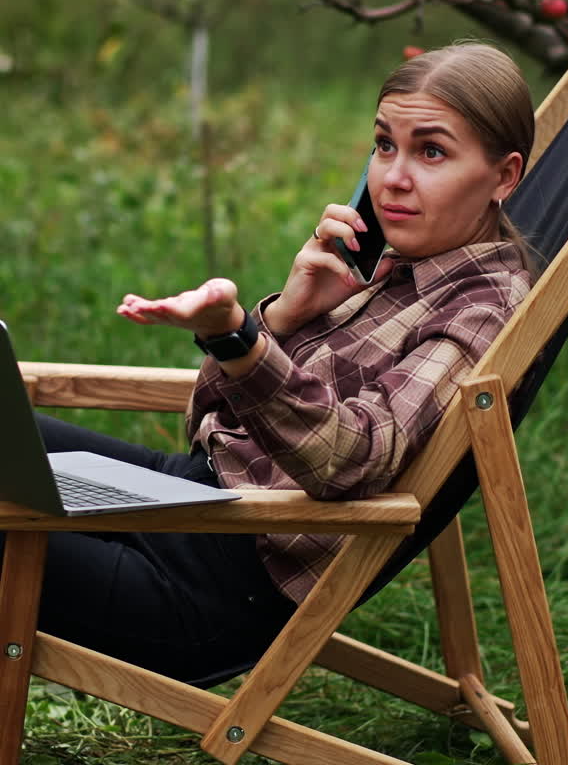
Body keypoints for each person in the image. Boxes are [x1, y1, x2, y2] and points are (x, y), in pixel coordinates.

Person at [19, 41, 536, 686]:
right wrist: (286, 317)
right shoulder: (391, 263)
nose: (393, 179)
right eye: (384, 145)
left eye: (431, 152)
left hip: (206, 589)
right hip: (194, 500)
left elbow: (355, 459)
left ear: (504, 177)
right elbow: (205, 422)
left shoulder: (478, 312)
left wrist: (240, 341)